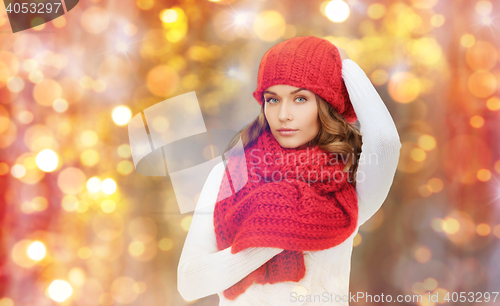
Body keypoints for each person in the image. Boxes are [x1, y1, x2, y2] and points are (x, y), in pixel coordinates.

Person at [177, 36, 402, 306]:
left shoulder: (347, 180)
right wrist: (278, 231)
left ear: (326, 104)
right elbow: (189, 283)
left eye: (300, 98)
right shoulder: (229, 173)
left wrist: (343, 66)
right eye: (273, 100)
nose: (283, 114)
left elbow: (386, 141)